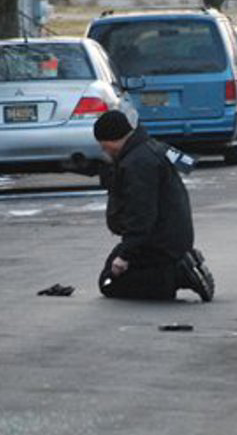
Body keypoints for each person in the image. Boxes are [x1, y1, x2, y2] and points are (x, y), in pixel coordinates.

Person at [92, 110, 214, 302]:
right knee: (109, 273)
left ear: (113, 140)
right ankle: (180, 262)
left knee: (110, 284)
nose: (105, 152)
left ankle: (179, 273)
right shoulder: (154, 145)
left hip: (157, 243)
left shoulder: (137, 164)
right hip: (171, 237)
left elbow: (141, 215)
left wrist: (126, 255)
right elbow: (187, 163)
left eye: (105, 147)